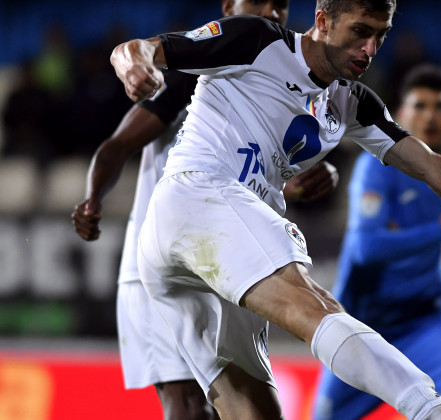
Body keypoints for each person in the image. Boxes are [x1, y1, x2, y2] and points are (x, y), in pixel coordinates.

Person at [111, 0, 441, 418]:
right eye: (360, 31)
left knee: (251, 404)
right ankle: (432, 410)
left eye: (380, 35)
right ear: (322, 21)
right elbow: (135, 49)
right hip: (198, 197)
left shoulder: (352, 102)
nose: (369, 48)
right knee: (317, 307)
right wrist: (137, 69)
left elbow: (433, 166)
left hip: (196, 244)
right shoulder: (258, 41)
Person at [72, 1, 337, 419]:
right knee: (191, 406)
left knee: (233, 403)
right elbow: (117, 145)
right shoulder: (189, 76)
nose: (271, 10)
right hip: (162, 258)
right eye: (258, 1)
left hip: (225, 265)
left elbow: (265, 169)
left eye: (282, 4)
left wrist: (311, 179)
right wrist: (93, 197)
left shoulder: (278, 90)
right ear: (229, 8)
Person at [313, 64, 441, 419]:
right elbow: (367, 249)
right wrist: (437, 231)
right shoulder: (376, 168)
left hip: (427, 318)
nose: (431, 115)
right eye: (420, 106)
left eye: (440, 106)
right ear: (402, 113)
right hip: (364, 325)